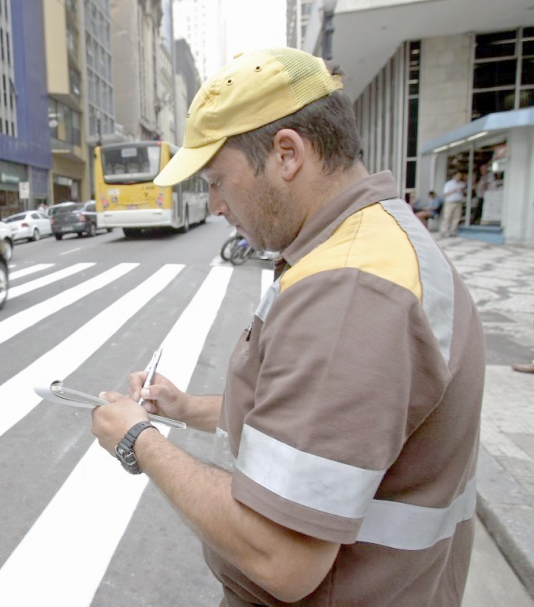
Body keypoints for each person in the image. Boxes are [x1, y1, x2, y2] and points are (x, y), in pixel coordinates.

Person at [90, 47, 484, 605]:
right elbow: (313, 423)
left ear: (286, 153)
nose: (217, 206)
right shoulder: (368, 242)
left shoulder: (349, 292)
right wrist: (185, 409)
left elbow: (280, 555)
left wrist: (140, 440)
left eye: (219, 180)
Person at [440, 171, 466, 237]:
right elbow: (445, 193)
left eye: (460, 176)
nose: (458, 177)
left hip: (458, 202)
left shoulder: (462, 184)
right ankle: (443, 231)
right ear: (454, 176)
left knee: (456, 218)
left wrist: (462, 190)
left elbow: (465, 193)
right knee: (447, 217)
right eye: (457, 176)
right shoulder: (449, 184)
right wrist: (454, 190)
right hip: (450, 202)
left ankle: (453, 231)